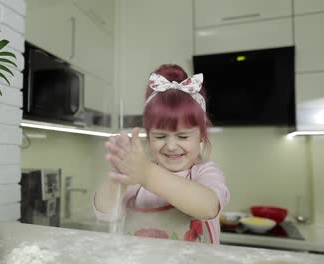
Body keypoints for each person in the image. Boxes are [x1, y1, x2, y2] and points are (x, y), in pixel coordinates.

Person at [93, 64, 230, 245]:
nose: (171, 146)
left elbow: (209, 207)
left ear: (201, 138)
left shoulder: (204, 173)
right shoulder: (138, 177)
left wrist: (148, 174)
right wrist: (117, 179)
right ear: (149, 139)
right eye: (160, 136)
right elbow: (104, 213)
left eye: (182, 136)